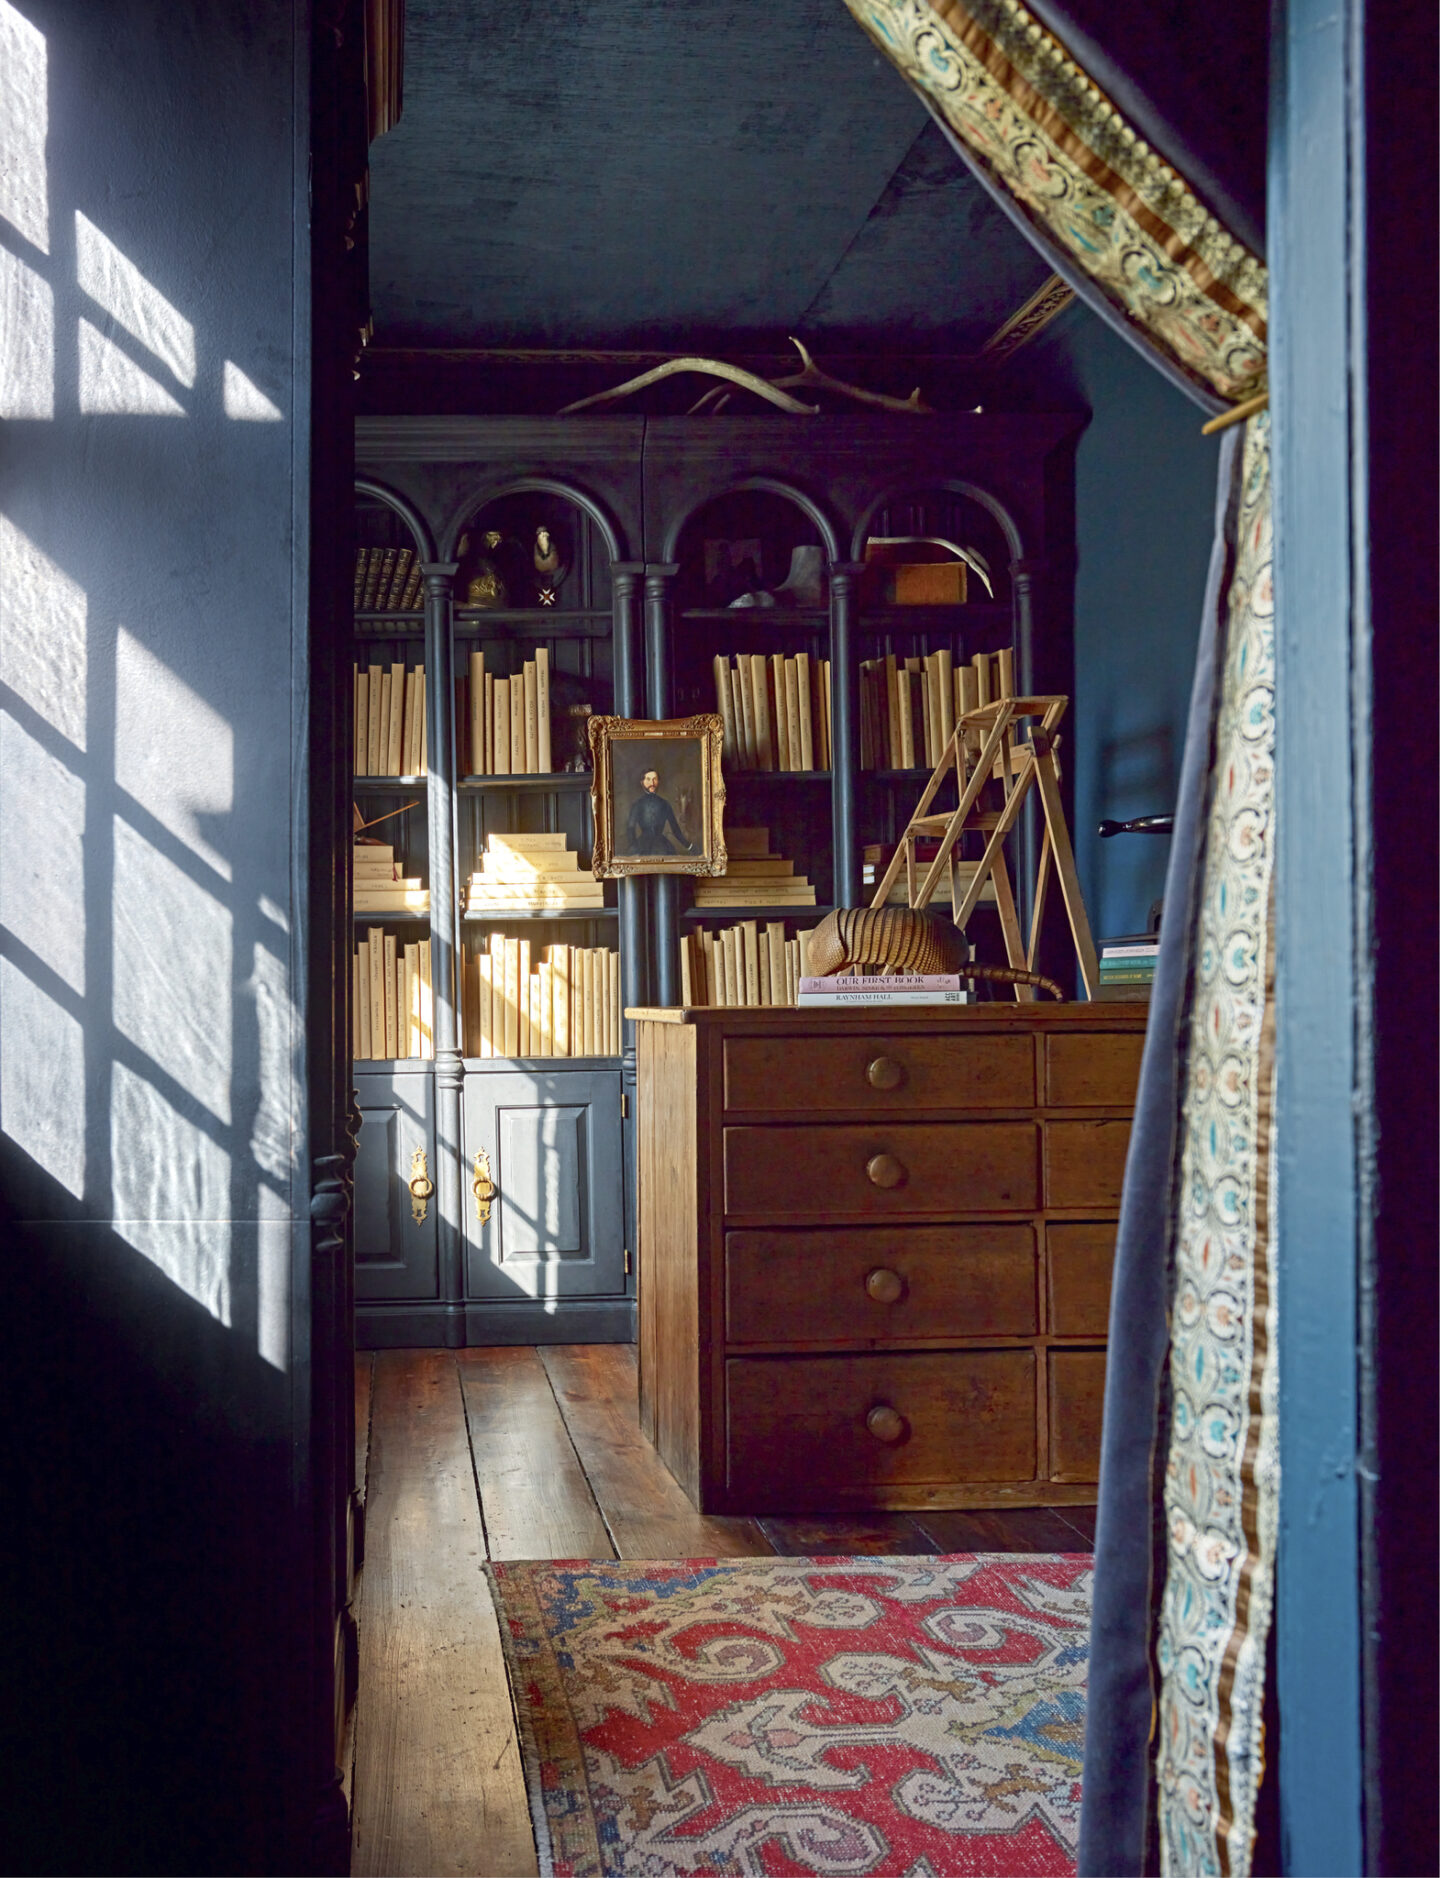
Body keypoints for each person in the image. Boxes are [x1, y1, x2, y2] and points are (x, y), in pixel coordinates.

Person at [623, 767, 692, 854]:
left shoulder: (665, 804)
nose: (652, 783)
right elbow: (630, 828)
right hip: (642, 846)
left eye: (654, 779)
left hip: (663, 846)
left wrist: (690, 846)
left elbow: (675, 829)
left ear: (658, 781)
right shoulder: (637, 804)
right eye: (648, 779)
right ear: (642, 782)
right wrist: (634, 846)